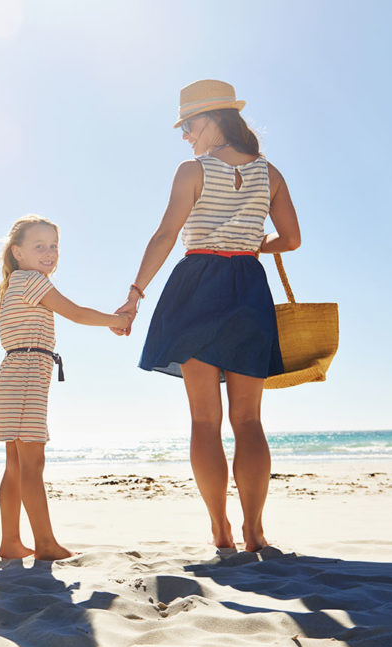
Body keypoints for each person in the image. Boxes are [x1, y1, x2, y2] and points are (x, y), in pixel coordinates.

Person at [115, 80, 301, 552]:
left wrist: (135, 292)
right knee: (250, 422)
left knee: (204, 421)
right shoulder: (270, 173)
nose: (185, 135)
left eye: (189, 124)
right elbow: (292, 239)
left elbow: (165, 235)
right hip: (248, 288)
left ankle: (220, 530)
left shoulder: (192, 170)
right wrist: (252, 245)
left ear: (216, 119)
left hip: (197, 285)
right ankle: (255, 531)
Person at [0, 215, 132, 560]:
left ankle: (11, 542)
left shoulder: (15, 284)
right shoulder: (33, 281)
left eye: (54, 246)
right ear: (18, 252)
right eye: (39, 246)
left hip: (12, 374)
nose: (49, 253)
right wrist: (115, 321)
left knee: (15, 464)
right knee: (32, 463)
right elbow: (74, 312)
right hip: (28, 372)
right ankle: (44, 543)